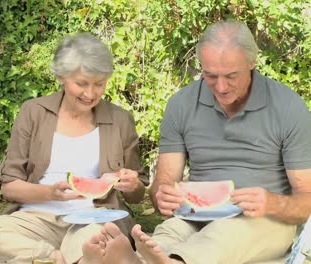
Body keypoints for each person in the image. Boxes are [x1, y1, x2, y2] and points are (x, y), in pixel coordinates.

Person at [81, 20, 311, 264]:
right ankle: (134, 258)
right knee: (169, 232)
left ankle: (170, 262)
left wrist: (273, 202)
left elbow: (307, 198)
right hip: (196, 214)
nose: (220, 87)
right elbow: (164, 184)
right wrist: (163, 197)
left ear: (252, 62)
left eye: (231, 76)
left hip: (266, 221)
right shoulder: (182, 104)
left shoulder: (287, 106)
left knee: (223, 234)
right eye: (210, 76)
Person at [0, 32, 147, 264]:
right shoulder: (32, 112)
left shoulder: (120, 119)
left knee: (98, 241)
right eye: (81, 83)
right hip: (35, 218)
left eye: (99, 84)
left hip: (95, 218)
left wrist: (134, 184)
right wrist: (49, 193)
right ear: (61, 77)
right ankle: (55, 257)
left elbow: (136, 196)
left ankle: (43, 257)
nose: (90, 94)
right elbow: (9, 189)